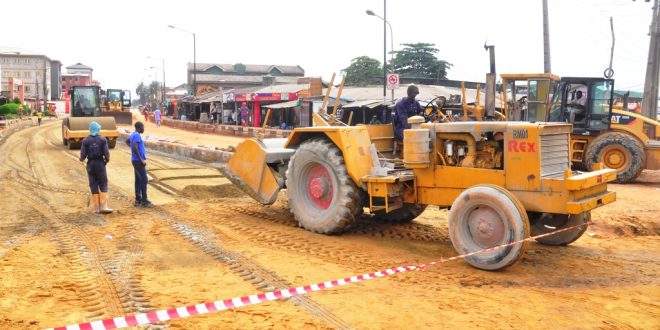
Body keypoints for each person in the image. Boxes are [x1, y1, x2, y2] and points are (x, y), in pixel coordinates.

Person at [80, 121, 112, 214]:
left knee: (93, 184)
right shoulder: (103, 139)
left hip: (90, 164)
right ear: (98, 129)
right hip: (100, 163)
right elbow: (106, 153)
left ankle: (96, 208)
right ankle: (104, 206)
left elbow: (82, 155)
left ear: (90, 129)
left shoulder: (85, 140)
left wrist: (82, 159)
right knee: (103, 183)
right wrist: (107, 160)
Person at [128, 121, 154, 208]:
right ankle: (144, 200)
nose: (144, 129)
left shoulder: (133, 135)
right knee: (144, 180)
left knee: (138, 180)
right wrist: (141, 160)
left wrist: (133, 151)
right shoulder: (136, 135)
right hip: (138, 161)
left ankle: (138, 199)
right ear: (139, 127)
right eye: (143, 127)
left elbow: (127, 141)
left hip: (135, 160)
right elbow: (135, 147)